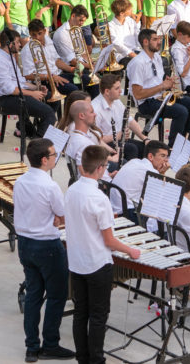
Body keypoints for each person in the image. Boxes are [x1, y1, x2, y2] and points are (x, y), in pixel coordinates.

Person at [66, 145, 141, 364]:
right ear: (100, 168)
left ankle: (83, 358)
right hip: (97, 264)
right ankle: (96, 360)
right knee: (98, 316)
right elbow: (109, 241)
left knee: (81, 313)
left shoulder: (71, 190)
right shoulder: (99, 198)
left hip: (77, 262)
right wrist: (131, 250)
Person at [12, 138, 74, 363]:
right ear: (44, 159)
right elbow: (62, 215)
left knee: (33, 295)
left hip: (25, 244)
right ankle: (50, 344)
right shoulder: (49, 186)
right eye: (53, 154)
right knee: (57, 296)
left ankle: (31, 347)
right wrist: (55, 218)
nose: (56, 157)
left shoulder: (20, 182)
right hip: (47, 245)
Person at [127, 29, 190, 149]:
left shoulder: (157, 57)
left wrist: (168, 81)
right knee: (181, 111)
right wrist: (162, 86)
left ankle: (186, 144)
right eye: (155, 39)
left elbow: (159, 78)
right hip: (148, 102)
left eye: (159, 39)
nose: (159, 42)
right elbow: (137, 94)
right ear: (145, 42)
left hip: (163, 96)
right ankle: (173, 148)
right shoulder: (138, 63)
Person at [0, 29, 56, 139]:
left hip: (16, 95)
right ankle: (38, 140)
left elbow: (21, 81)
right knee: (48, 113)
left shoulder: (10, 57)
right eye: (18, 42)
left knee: (52, 98)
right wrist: (32, 94)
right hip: (6, 99)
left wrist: (36, 88)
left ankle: (30, 129)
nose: (20, 44)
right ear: (10, 43)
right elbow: (9, 89)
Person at [91, 73, 148, 162]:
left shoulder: (116, 101)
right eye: (117, 88)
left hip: (119, 140)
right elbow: (94, 139)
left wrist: (145, 138)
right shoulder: (95, 109)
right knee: (132, 149)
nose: (121, 91)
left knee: (145, 148)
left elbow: (130, 121)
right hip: (105, 145)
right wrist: (118, 135)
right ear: (107, 91)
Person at [108, 140, 170, 216]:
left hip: (114, 207)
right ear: (150, 156)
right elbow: (162, 195)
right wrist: (162, 173)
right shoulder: (150, 172)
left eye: (167, 157)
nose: (166, 160)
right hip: (127, 212)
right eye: (162, 156)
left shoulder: (134, 161)